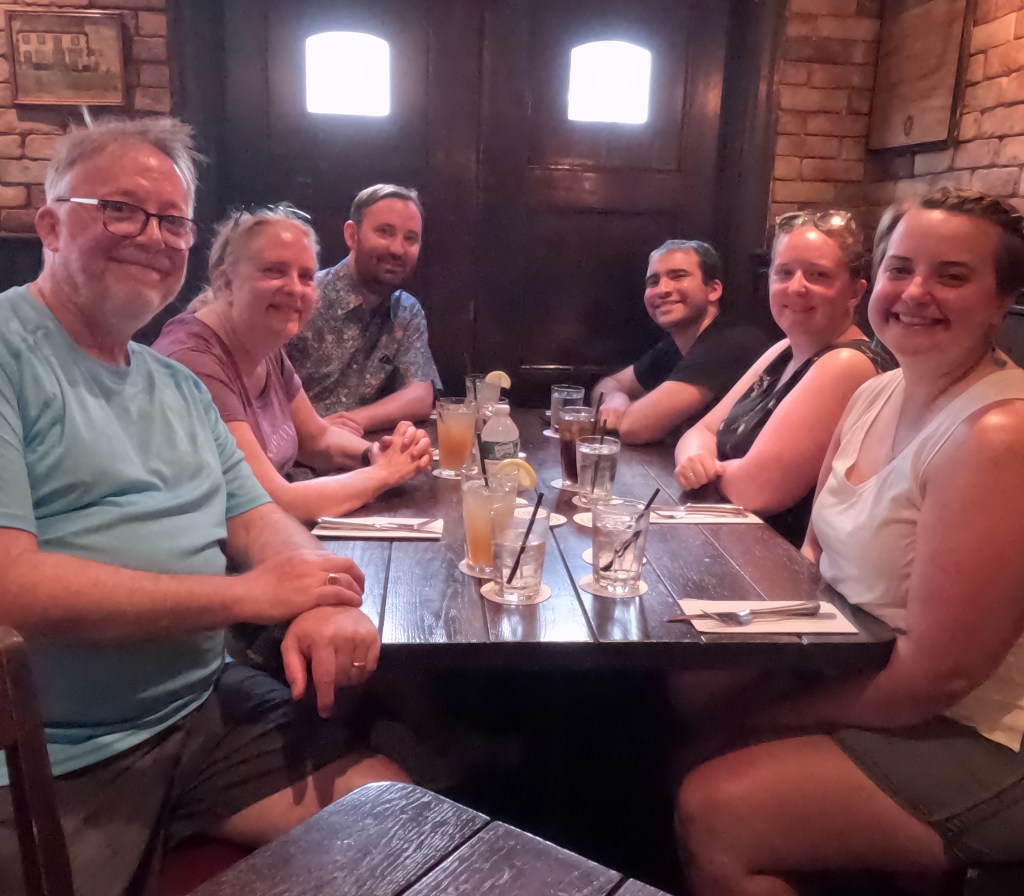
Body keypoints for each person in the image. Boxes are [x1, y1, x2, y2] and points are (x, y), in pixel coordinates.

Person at [0, 117, 407, 896]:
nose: (152, 236)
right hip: (52, 756)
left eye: (173, 221)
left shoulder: (175, 386)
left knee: (391, 814)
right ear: (50, 224)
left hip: (201, 715)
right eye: (119, 209)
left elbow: (259, 517)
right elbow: (11, 587)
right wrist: (251, 597)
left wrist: (314, 593)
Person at [676, 188, 1024, 895]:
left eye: (952, 277)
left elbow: (939, 678)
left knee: (713, 809)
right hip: (864, 678)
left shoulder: (996, 435)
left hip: (983, 734)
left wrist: (779, 710)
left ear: (1003, 300)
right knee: (684, 704)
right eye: (901, 269)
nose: (916, 293)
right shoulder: (875, 392)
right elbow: (812, 560)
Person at [153, 205, 432, 523]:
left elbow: (318, 441)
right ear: (226, 281)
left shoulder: (261, 341)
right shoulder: (193, 360)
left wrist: (374, 454)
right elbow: (273, 502)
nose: (295, 289)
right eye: (274, 271)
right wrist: (385, 474)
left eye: (306, 276)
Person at [673, 210, 890, 545]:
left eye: (818, 275)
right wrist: (694, 459)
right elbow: (700, 431)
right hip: (734, 546)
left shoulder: (847, 363)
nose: (797, 287)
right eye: (784, 273)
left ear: (855, 292)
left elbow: (757, 490)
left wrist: (704, 470)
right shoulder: (782, 351)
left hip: (787, 574)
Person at [287, 184, 439, 433]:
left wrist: (355, 421)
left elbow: (421, 394)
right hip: (291, 461)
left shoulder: (406, 311)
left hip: (361, 454)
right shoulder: (302, 299)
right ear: (352, 235)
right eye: (384, 232)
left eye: (410, 238)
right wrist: (316, 432)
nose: (398, 249)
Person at [594, 240, 767, 444]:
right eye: (653, 281)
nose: (662, 289)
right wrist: (615, 398)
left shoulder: (732, 343)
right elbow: (609, 384)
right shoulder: (675, 346)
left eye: (678, 276)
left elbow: (634, 427)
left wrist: (621, 412)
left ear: (713, 290)